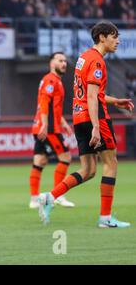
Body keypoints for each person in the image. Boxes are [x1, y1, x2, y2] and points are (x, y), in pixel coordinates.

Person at [38, 21, 134, 227]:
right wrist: (97, 127)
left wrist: (115, 100)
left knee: (88, 170)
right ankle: (105, 218)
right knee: (111, 163)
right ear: (102, 37)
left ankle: (49, 196)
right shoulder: (97, 61)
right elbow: (91, 96)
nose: (118, 40)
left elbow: (91, 93)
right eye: (114, 36)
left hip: (79, 118)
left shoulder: (83, 58)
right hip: (94, 118)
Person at [28, 52, 75, 209]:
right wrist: (45, 125)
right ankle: (58, 195)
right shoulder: (50, 80)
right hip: (48, 129)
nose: (64, 63)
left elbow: (54, 107)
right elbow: (44, 102)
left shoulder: (55, 81)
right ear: (51, 63)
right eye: (60, 60)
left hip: (42, 126)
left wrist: (64, 123)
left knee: (40, 161)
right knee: (66, 157)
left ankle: (34, 199)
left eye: (65, 61)